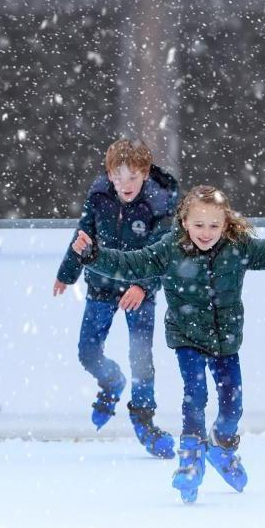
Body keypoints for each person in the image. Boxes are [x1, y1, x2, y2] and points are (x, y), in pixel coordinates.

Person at [72, 184, 265, 503]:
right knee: (195, 394)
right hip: (187, 337)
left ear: (225, 224)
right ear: (185, 222)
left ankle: (222, 446)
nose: (206, 232)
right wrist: (93, 256)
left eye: (214, 225)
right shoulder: (169, 249)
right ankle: (190, 456)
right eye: (199, 225)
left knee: (233, 404)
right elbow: (131, 264)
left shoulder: (236, 246)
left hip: (226, 338)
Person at [54, 138, 178, 458]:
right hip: (101, 286)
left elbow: (163, 254)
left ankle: (144, 419)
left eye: (133, 177)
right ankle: (111, 382)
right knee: (87, 351)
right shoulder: (98, 197)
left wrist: (143, 287)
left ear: (146, 174)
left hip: (140, 292)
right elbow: (83, 236)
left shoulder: (158, 204)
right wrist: (67, 274)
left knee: (141, 358)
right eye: (118, 177)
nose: (125, 184)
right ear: (109, 175)